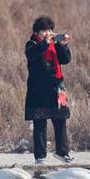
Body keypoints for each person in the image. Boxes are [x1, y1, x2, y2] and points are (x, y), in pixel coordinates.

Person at [25, 15, 73, 164]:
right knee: (40, 123)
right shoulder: (32, 43)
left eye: (50, 30)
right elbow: (31, 55)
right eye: (45, 31)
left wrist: (62, 45)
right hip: (38, 89)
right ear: (37, 31)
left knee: (60, 121)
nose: (48, 33)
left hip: (56, 87)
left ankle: (62, 153)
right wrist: (45, 43)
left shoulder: (54, 44)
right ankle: (40, 157)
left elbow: (66, 60)